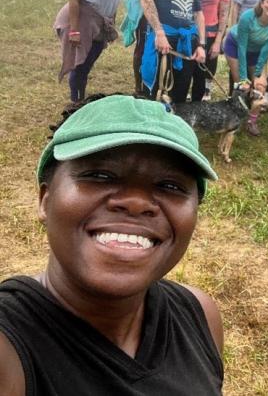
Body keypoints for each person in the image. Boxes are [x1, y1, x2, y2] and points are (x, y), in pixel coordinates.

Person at [0, 94, 223, 395]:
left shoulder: (199, 315)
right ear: (45, 199)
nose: (136, 202)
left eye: (170, 186)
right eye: (100, 175)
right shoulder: (10, 345)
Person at [224, 0, 268, 136]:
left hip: (257, 52)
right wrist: (245, 77)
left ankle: (252, 121)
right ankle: (234, 119)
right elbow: (242, 47)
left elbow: (266, 50)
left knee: (260, 86)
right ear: (262, 3)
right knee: (241, 85)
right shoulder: (248, 17)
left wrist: (258, 74)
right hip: (235, 46)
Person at [191, 0, 230, 102]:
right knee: (183, 73)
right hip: (188, 32)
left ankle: (196, 107)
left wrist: (218, 41)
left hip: (210, 33)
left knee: (202, 75)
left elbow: (224, 13)